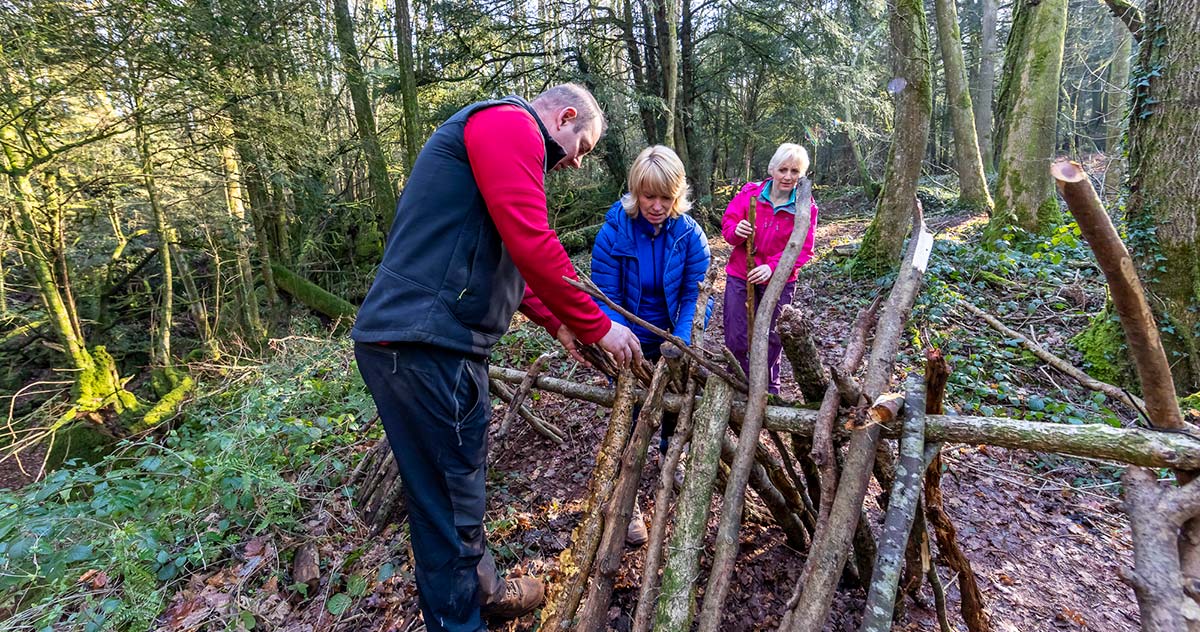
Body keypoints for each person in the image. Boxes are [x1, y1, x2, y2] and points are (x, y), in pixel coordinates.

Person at [351, 84, 642, 632]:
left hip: (422, 341)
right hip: (428, 345)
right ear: (565, 117)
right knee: (451, 502)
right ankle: (462, 620)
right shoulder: (509, 126)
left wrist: (556, 322)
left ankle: (481, 592)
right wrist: (598, 325)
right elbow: (532, 240)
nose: (577, 164)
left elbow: (505, 252)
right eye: (582, 148)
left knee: (448, 491)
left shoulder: (498, 141)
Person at [590, 145, 712, 545]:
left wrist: (682, 337)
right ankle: (629, 499)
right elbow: (605, 296)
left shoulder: (690, 234)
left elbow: (697, 293)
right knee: (629, 414)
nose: (657, 206)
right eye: (649, 196)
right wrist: (622, 339)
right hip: (628, 341)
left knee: (675, 408)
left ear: (677, 195)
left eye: (666, 197)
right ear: (635, 192)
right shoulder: (612, 234)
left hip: (673, 340)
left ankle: (668, 457)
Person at [721, 142, 819, 394]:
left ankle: (767, 390)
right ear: (772, 169)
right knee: (736, 335)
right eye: (783, 169)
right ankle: (739, 385)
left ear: (802, 174)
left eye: (794, 171)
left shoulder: (805, 207)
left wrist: (772, 268)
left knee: (773, 336)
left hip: (779, 280)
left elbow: (803, 249)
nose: (788, 176)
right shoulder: (750, 194)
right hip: (741, 275)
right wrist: (737, 231)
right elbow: (728, 227)